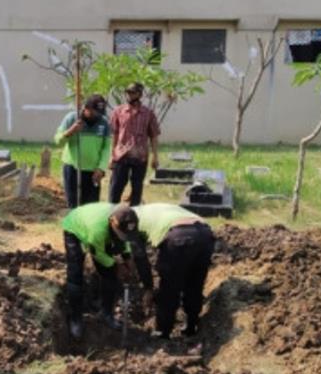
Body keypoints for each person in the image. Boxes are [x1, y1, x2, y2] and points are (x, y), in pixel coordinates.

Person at [132, 203, 215, 339]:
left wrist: (148, 287)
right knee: (194, 283)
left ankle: (163, 331)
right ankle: (191, 325)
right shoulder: (155, 208)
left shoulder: (131, 220)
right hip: (205, 234)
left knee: (169, 287)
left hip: (179, 237)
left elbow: (140, 258)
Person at [61, 202, 141, 339]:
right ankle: (76, 318)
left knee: (109, 275)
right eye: (120, 233)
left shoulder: (123, 220)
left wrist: (128, 259)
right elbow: (98, 255)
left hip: (101, 232)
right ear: (112, 222)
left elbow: (125, 241)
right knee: (75, 272)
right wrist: (118, 267)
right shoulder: (97, 230)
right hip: (74, 228)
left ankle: (106, 313)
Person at [108, 82, 161, 206]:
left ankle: (134, 214)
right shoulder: (119, 111)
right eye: (127, 92)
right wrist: (112, 155)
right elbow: (114, 134)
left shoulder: (148, 113)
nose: (129, 95)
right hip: (122, 155)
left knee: (137, 187)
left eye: (132, 92)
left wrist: (155, 156)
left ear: (140, 94)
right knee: (116, 185)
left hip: (140, 155)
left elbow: (154, 135)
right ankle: (111, 213)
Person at [54, 95, 111, 208]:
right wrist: (71, 131)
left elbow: (106, 148)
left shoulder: (104, 123)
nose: (97, 116)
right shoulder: (71, 118)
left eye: (100, 112)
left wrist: (101, 168)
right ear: (86, 108)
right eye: (94, 112)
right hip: (73, 168)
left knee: (91, 206)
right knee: (74, 204)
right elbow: (58, 141)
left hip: (94, 171)